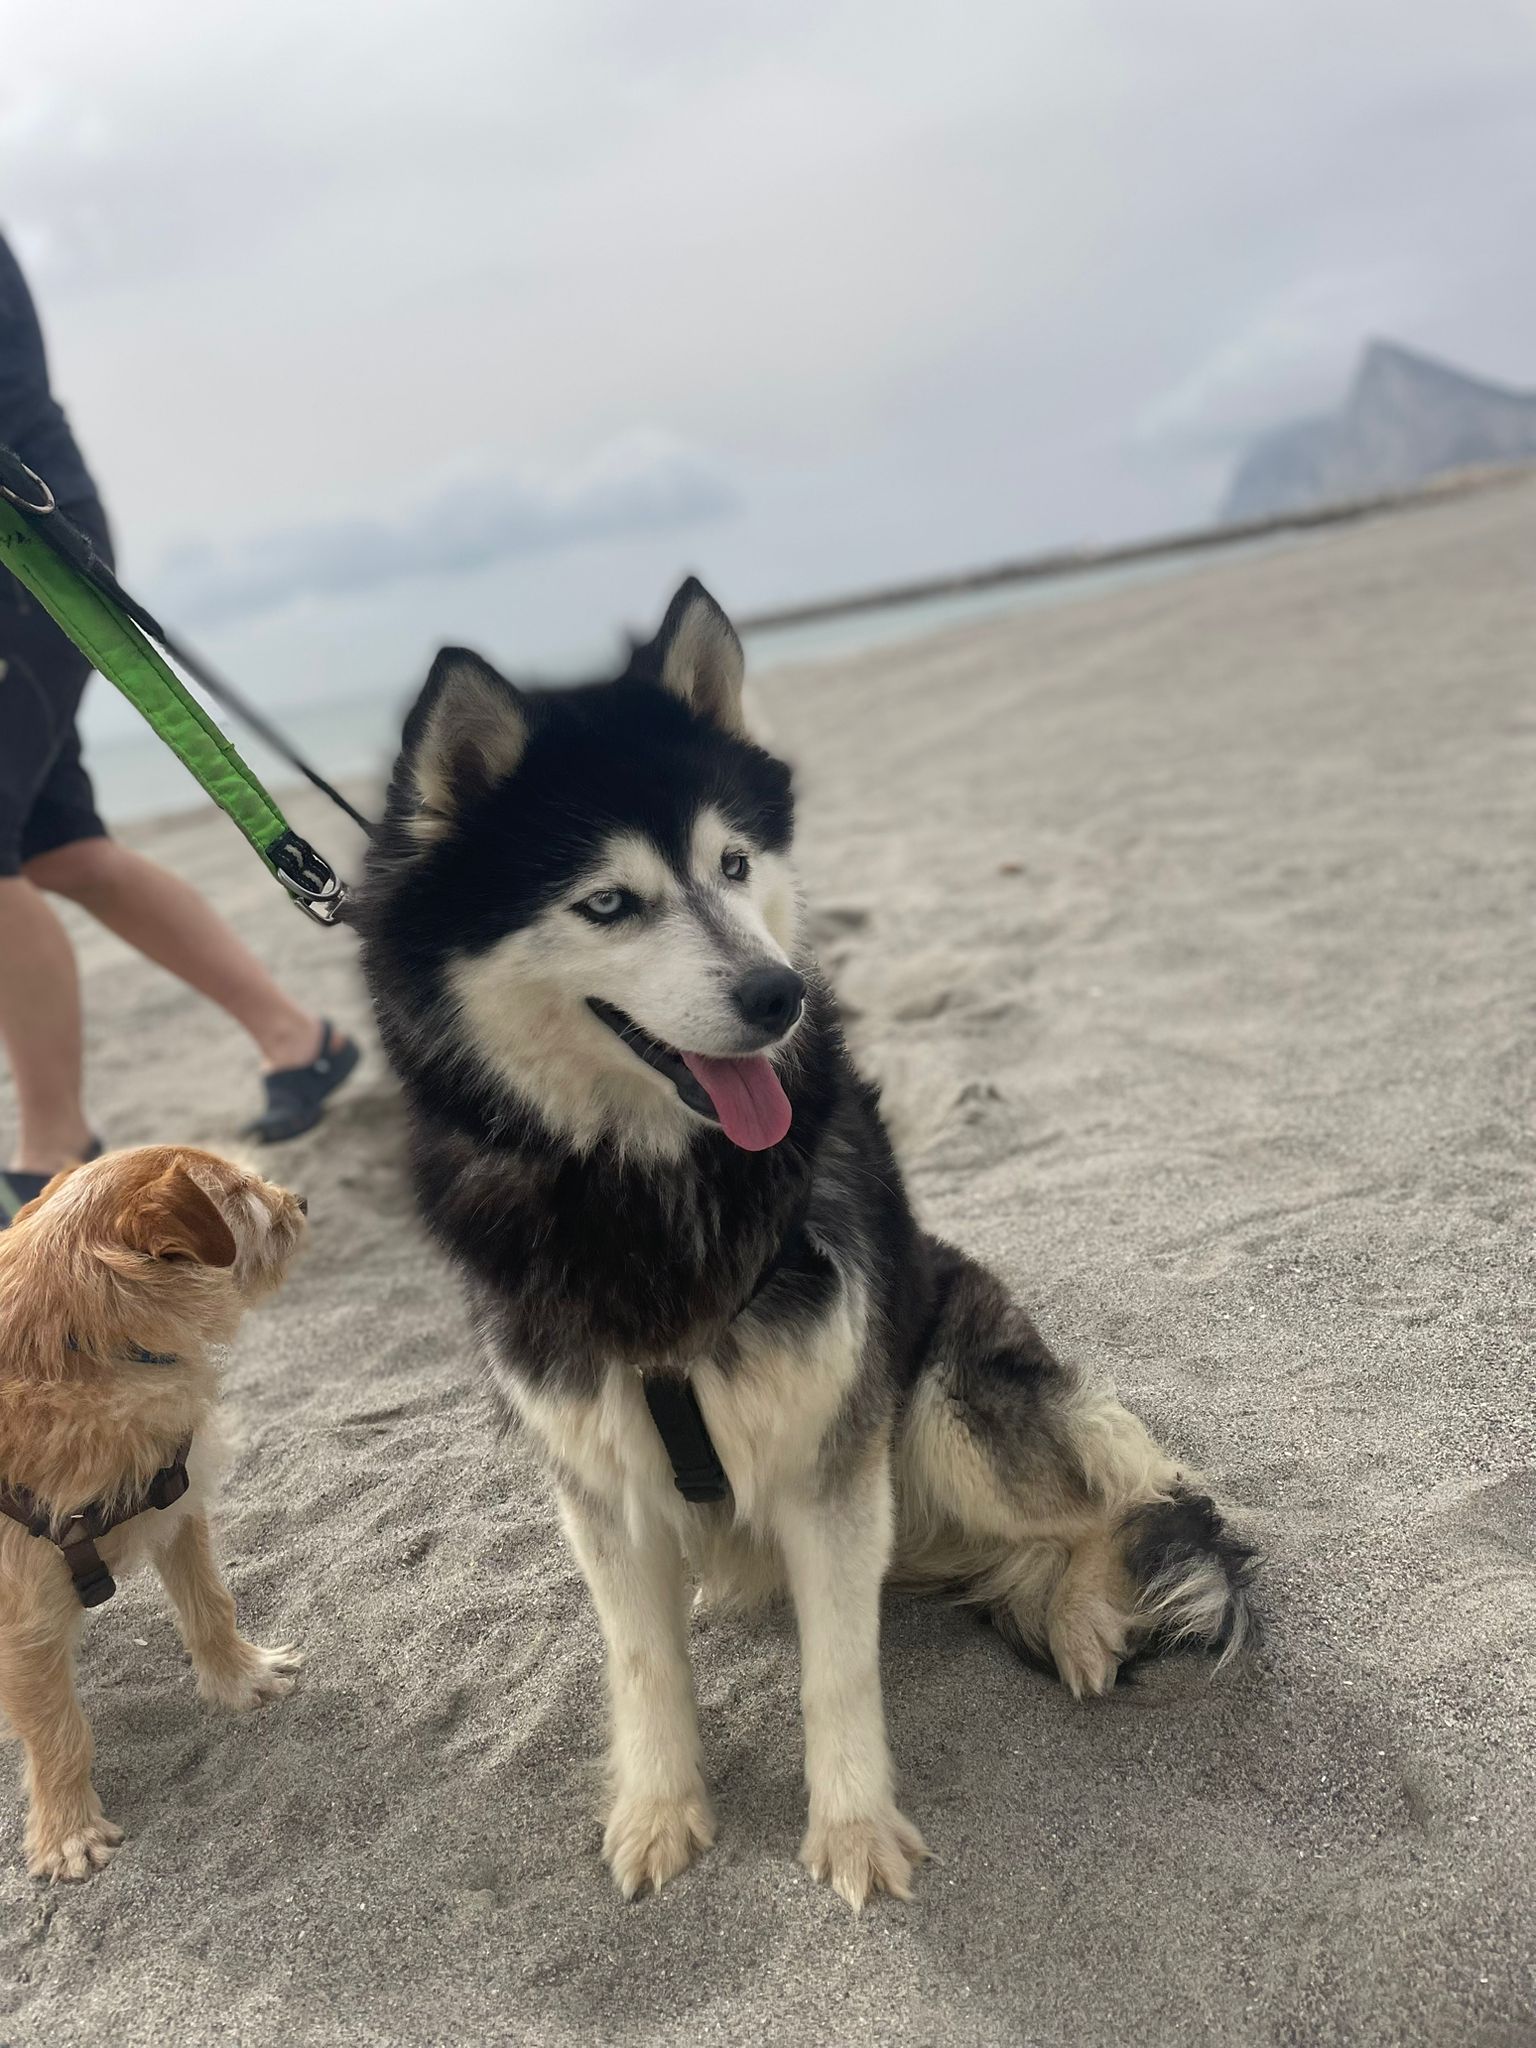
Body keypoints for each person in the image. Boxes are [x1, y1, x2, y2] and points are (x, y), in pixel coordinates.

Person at [0, 230, 357, 1220]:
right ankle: (299, 1039)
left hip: (24, 537)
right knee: (63, 850)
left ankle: (52, 1150)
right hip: (27, 541)